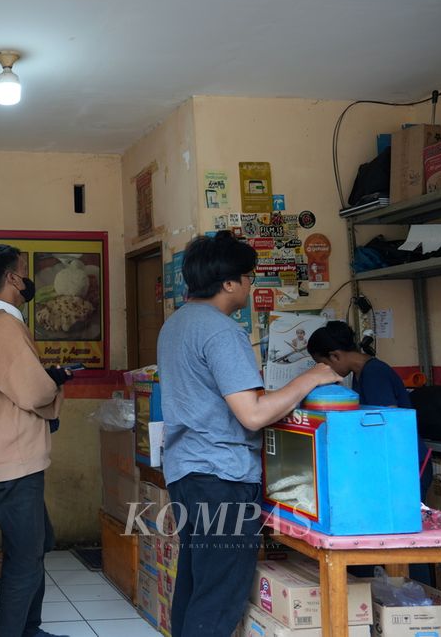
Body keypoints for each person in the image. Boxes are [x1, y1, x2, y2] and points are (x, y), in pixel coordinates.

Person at [157, 231, 340, 637]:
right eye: (248, 276)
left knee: (196, 582)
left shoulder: (176, 324)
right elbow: (253, 414)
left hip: (186, 471)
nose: (250, 284)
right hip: (220, 476)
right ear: (228, 283)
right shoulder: (221, 331)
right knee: (219, 594)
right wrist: (311, 376)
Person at [0, 244, 71, 637]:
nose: (27, 280)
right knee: (26, 557)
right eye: (23, 272)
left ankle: (30, 628)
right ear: (12, 279)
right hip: (14, 459)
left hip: (2, 454)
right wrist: (55, 382)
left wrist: (45, 379)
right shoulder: (5, 326)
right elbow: (32, 393)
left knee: (36, 543)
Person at [307, 320, 432, 497]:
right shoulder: (361, 372)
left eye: (322, 364)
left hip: (406, 463)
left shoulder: (374, 373)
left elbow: (387, 425)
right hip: (395, 462)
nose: (322, 370)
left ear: (335, 356)